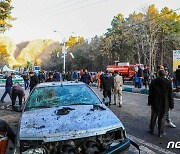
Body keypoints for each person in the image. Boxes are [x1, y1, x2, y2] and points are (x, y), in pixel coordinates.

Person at [148, 70, 174, 137]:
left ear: (158, 74)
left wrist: (149, 102)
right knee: (162, 118)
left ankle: (151, 130)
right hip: (164, 103)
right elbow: (170, 95)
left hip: (155, 102)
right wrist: (171, 105)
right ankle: (160, 133)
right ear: (164, 75)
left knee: (153, 116)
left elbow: (150, 94)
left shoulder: (153, 82)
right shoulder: (168, 82)